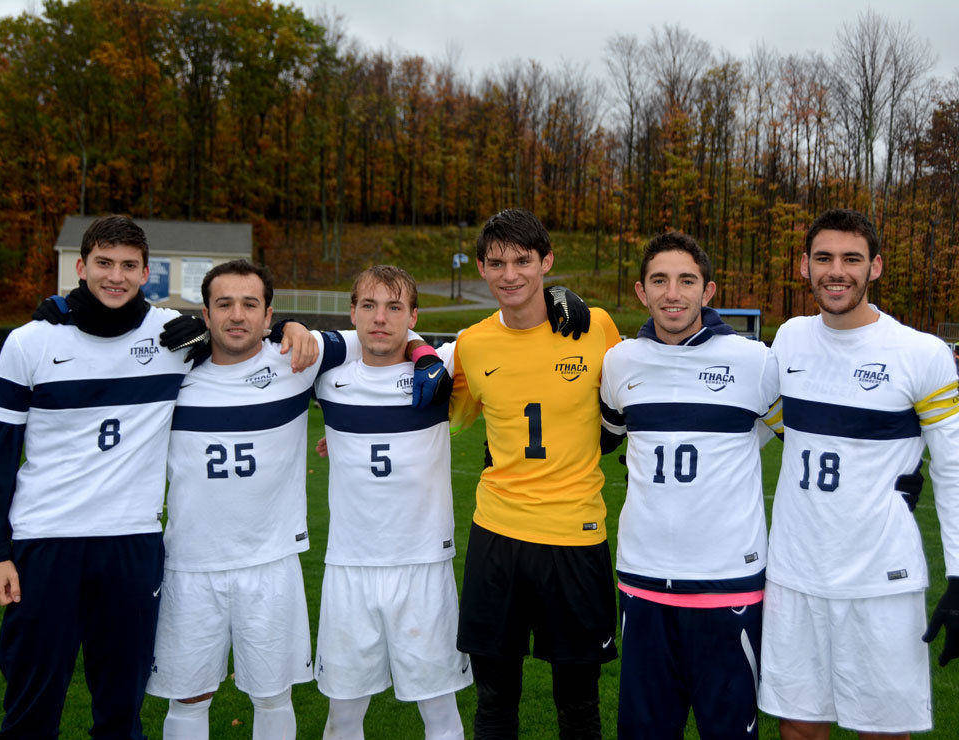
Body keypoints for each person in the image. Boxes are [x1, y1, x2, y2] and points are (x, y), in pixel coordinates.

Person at [759, 209, 959, 738]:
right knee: (800, 730)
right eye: (824, 258)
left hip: (881, 581)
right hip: (795, 573)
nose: (838, 271)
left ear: (874, 267)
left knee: (881, 733)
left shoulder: (920, 353)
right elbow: (766, 421)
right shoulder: (789, 339)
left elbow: (956, 472)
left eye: (852, 259)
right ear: (803, 266)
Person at [0, 215, 191, 738]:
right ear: (80, 267)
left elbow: (249, 326)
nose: (115, 276)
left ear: (147, 273)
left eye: (128, 266)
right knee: (30, 710)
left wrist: (293, 329)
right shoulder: (29, 342)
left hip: (131, 543)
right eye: (103, 263)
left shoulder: (174, 337)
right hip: (44, 542)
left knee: (121, 713)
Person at [145, 260, 355, 738]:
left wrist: (297, 328)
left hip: (270, 561)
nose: (236, 315)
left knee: (273, 694)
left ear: (268, 315)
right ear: (205, 314)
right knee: (187, 696)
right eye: (224, 304)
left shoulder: (296, 361)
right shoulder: (171, 375)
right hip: (190, 563)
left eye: (249, 304)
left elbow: (382, 332)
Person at [599, 232, 782, 739]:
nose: (672, 293)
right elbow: (603, 436)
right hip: (642, 581)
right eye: (660, 280)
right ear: (641, 291)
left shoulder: (755, 363)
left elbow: (803, 435)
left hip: (729, 584)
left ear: (708, 291)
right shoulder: (620, 363)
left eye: (686, 280)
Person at [449, 209, 621, 739]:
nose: (510, 275)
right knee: (495, 702)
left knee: (578, 704)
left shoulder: (596, 327)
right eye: (497, 263)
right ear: (480, 267)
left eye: (523, 261)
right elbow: (439, 414)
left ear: (547, 261)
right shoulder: (471, 344)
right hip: (497, 535)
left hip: (575, 535)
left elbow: (638, 396)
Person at [312, 265, 469, 740]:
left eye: (394, 308)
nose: (381, 318)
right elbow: (276, 339)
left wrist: (422, 350)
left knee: (440, 713)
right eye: (369, 306)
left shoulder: (441, 368)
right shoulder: (326, 375)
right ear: (353, 313)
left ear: (413, 316)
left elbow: (506, 330)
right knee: (342, 716)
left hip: (423, 565)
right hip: (349, 566)